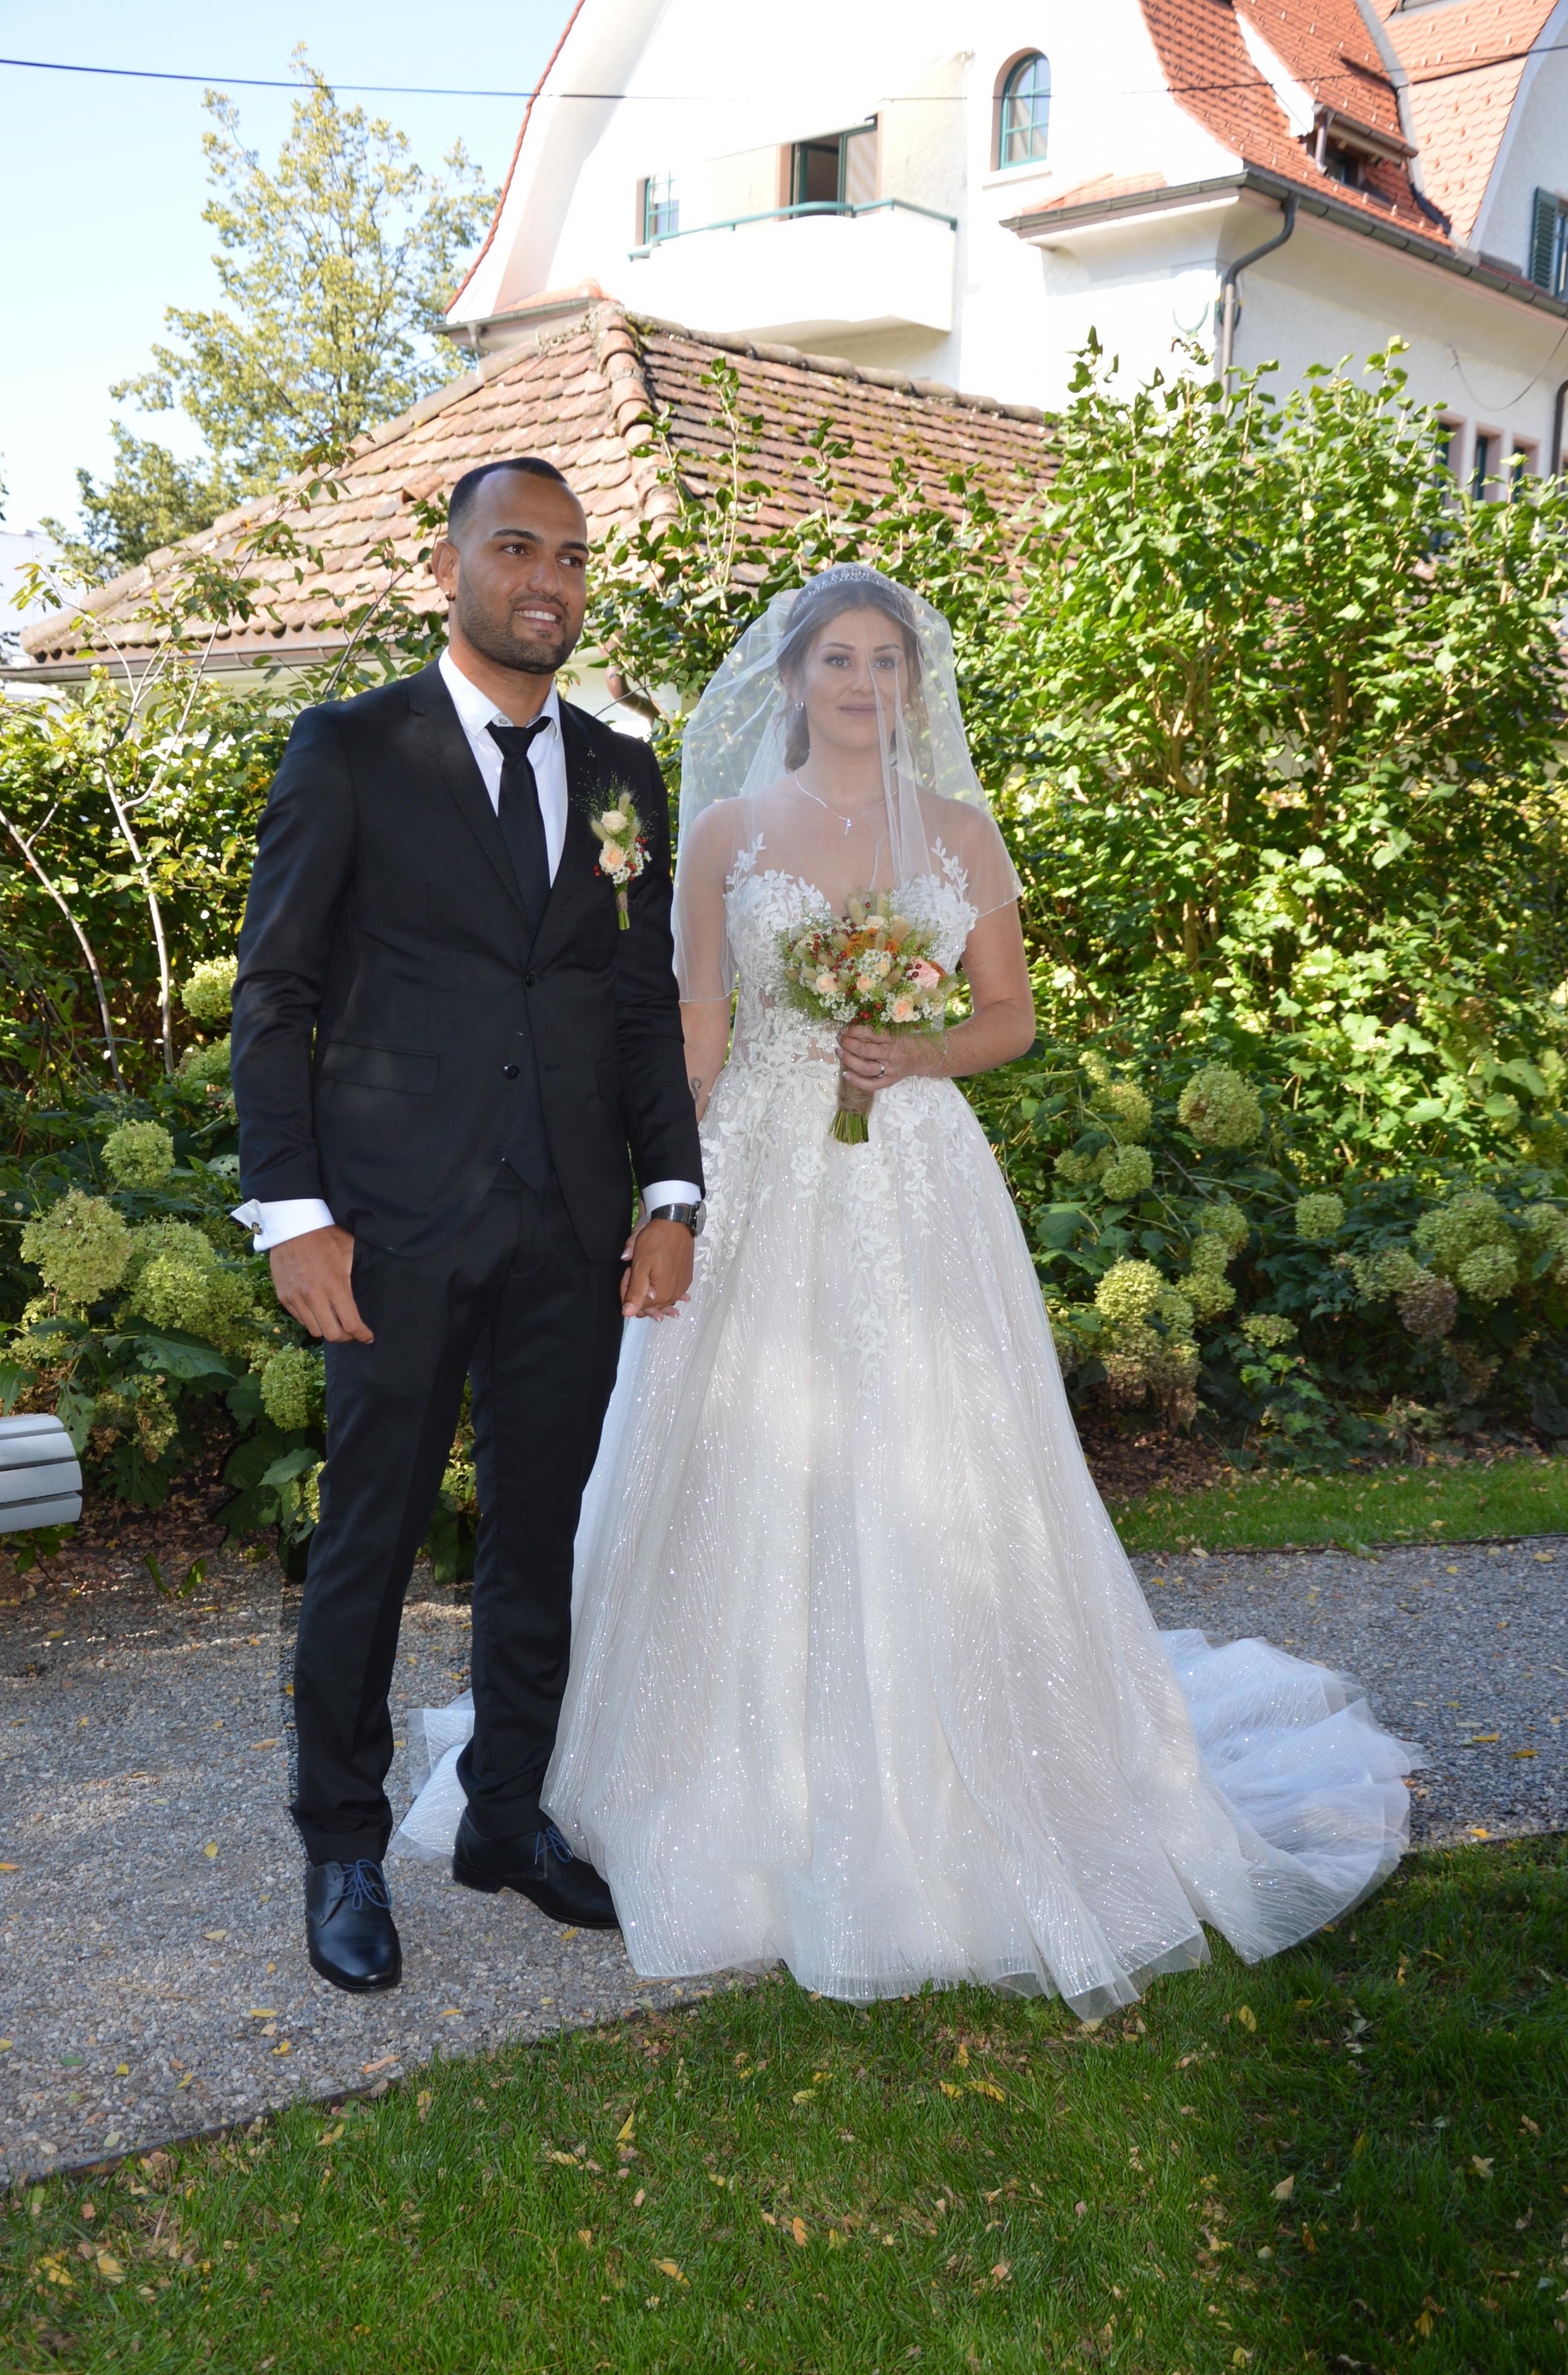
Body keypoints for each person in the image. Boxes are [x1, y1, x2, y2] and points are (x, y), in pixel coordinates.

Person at [404, 563, 1416, 2017]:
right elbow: (698, 1031)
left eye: (889, 662)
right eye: (841, 660)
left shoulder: (959, 831)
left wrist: (916, 1051)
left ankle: (964, 1776)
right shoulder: (727, 832)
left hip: (918, 1176)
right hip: (758, 1169)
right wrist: (661, 1193)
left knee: (941, 1449)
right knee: (728, 1449)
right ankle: (700, 1774)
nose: (865, 684)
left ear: (913, 686)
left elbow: (1010, 1014)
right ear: (794, 679)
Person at [230, 456, 704, 1994]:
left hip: (570, 1224)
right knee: (366, 1538)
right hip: (390, 1228)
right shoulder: (351, 747)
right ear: (449, 568)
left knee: (538, 1537)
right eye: (515, 547)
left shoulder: (625, 774)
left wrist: (672, 1192)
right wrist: (295, 1213)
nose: (546, 578)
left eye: (570, 553)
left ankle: (507, 1815)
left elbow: (641, 1002)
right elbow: (277, 994)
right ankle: (343, 1841)